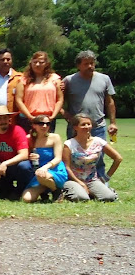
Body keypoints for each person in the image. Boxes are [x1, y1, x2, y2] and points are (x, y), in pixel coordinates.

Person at [62, 50, 117, 180]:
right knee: (74, 157)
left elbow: (110, 102)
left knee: (98, 157)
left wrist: (113, 122)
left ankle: (101, 183)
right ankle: (74, 183)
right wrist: (67, 115)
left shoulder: (104, 79)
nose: (90, 66)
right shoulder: (69, 80)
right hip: (76, 128)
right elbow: (58, 102)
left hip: (98, 125)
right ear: (78, 65)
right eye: (86, 64)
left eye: (92, 63)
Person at [62, 114, 122, 202]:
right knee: (81, 198)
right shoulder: (69, 144)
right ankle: (68, 192)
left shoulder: (98, 141)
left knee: (109, 198)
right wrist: (80, 183)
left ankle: (97, 191)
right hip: (73, 180)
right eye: (83, 124)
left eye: (88, 124)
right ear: (75, 127)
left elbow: (118, 158)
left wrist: (106, 178)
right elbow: (66, 166)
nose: (87, 127)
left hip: (92, 180)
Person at [0, 106, 33, 199]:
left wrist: (6, 163)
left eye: (5, 118)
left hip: (14, 165)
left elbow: (24, 155)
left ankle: (20, 190)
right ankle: (7, 190)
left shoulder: (17, 131)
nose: (2, 121)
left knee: (25, 167)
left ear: (9, 119)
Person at [21, 115, 68, 203]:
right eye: (41, 124)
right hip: (38, 172)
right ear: (34, 125)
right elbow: (23, 155)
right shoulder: (29, 139)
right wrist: (30, 157)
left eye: (47, 124)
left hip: (55, 169)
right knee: (26, 199)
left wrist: (45, 167)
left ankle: (57, 191)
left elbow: (58, 158)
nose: (45, 126)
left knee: (41, 175)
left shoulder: (55, 137)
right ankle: (45, 190)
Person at [15, 51, 63, 133]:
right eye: (35, 62)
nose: (37, 65)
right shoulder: (23, 80)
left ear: (46, 64)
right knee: (28, 144)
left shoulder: (55, 78)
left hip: (48, 119)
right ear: (31, 63)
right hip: (27, 119)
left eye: (41, 62)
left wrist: (53, 116)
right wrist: (30, 117)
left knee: (47, 144)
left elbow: (60, 99)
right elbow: (18, 100)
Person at [0, 48, 23, 114]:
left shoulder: (20, 78)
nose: (5, 62)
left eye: (8, 59)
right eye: (2, 60)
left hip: (14, 118)